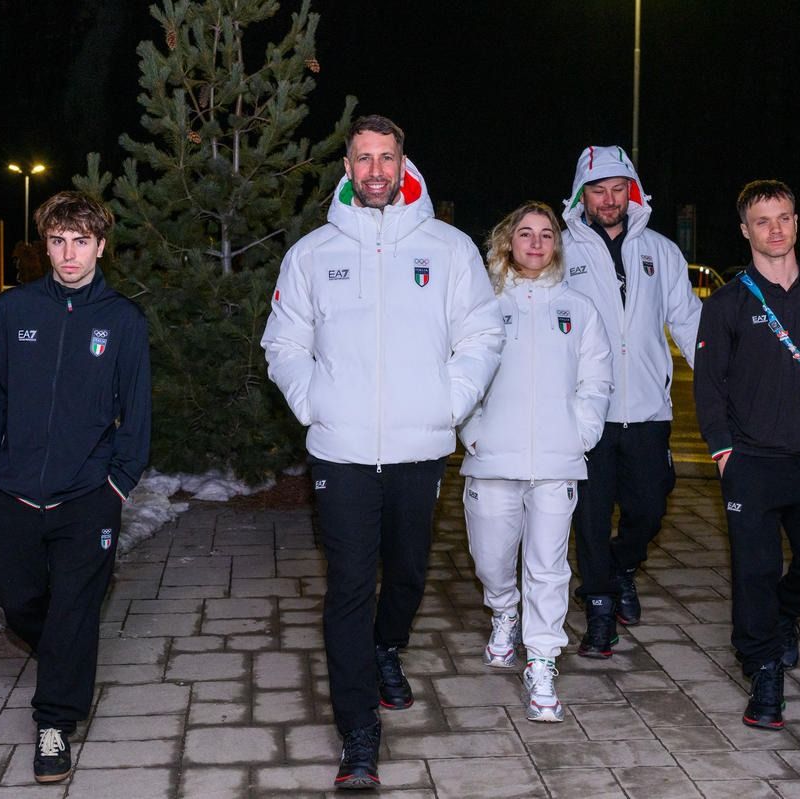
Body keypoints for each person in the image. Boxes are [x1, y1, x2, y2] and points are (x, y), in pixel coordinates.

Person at [261, 114, 503, 789]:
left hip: (417, 446)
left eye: (386, 158)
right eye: (363, 158)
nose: (374, 170)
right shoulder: (312, 253)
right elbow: (284, 342)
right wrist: (315, 402)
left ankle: (387, 645)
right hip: (339, 450)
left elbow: (482, 334)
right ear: (347, 167)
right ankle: (358, 731)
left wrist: (446, 404)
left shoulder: (448, 248)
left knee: (406, 573)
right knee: (347, 584)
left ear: (404, 164)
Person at [0, 191, 152, 783]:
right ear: (45, 245)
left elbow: (137, 412)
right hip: (13, 491)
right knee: (14, 596)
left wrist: (118, 483)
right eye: (57, 241)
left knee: (74, 608)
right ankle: (64, 651)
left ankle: (54, 723)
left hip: (86, 496)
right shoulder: (14, 309)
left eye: (81, 241)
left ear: (101, 246)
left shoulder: (122, 320)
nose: (69, 254)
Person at [694, 179, 800, 729]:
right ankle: (763, 667)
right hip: (754, 463)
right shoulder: (727, 303)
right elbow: (709, 386)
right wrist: (724, 453)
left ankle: (783, 613)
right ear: (745, 230)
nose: (775, 230)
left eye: (784, 218)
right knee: (755, 572)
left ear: (796, 223)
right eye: (762, 221)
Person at [459, 201, 612, 722]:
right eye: (526, 233)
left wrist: (581, 433)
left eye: (547, 234)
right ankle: (504, 610)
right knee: (491, 559)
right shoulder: (483, 303)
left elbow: (596, 379)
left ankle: (542, 661)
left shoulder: (578, 308)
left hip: (556, 461)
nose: (537, 242)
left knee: (548, 567)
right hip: (492, 459)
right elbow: (460, 371)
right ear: (508, 240)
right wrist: (472, 432)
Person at [561, 145, 701, 656]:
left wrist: (725, 379)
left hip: (647, 410)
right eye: (598, 190)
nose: (609, 199)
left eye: (618, 189)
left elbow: (688, 321)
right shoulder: (562, 251)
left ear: (633, 192)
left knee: (649, 507)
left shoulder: (661, 251)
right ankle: (599, 607)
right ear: (582, 196)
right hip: (586, 412)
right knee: (591, 517)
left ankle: (622, 566)